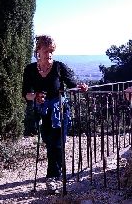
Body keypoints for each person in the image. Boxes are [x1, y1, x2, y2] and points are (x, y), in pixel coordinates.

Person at [22, 35, 88, 193]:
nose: (49, 54)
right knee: (48, 141)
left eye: (52, 50)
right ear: (38, 50)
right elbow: (25, 93)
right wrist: (35, 96)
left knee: (56, 144)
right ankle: (57, 172)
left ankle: (52, 177)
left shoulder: (59, 67)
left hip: (60, 112)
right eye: (46, 50)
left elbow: (72, 85)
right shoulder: (30, 70)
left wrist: (81, 87)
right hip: (43, 113)